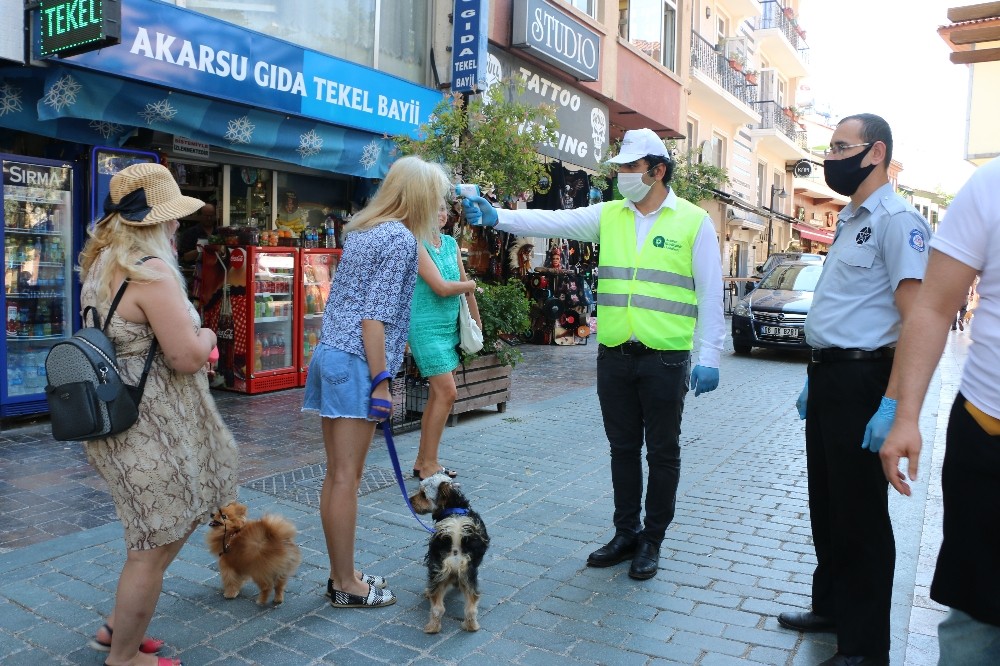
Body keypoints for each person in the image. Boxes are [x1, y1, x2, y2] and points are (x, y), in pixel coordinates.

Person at [462, 128, 724, 581]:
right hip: (615, 357)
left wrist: (712, 355)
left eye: (630, 167)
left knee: (662, 453)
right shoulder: (610, 215)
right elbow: (551, 223)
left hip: (666, 359)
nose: (621, 175)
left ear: (658, 171)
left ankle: (653, 540)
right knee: (622, 449)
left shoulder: (694, 221)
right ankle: (626, 533)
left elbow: (711, 293)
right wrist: (495, 216)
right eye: (619, 167)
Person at [778, 113, 931, 666]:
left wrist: (894, 405)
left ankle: (867, 647)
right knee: (828, 504)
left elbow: (916, 320)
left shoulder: (898, 221)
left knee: (862, 515)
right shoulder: (849, 220)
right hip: (828, 377)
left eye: (842, 146)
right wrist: (813, 376)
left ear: (876, 153)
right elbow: (842, 306)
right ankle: (834, 607)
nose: (831, 156)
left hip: (865, 380)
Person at [78, 163, 238, 666]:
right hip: (150, 430)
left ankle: (117, 628)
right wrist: (211, 337)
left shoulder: (102, 263)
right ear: (153, 221)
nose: (176, 226)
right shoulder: (151, 272)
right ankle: (123, 656)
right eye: (170, 217)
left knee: (176, 521)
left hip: (120, 421)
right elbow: (187, 356)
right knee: (150, 546)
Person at [302, 155, 451, 608]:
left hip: (330, 354)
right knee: (347, 477)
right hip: (358, 362)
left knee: (336, 476)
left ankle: (340, 575)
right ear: (421, 197)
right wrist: (383, 380)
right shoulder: (402, 239)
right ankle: (346, 584)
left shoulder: (365, 230)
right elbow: (373, 319)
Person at [879, 156, 999, 665]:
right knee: (977, 618)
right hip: (989, 434)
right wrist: (905, 416)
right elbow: (932, 306)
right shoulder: (991, 185)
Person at [408, 202, 480, 481]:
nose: (440, 214)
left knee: (439, 395)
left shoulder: (450, 243)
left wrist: (476, 321)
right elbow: (441, 287)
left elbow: (461, 284)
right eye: (433, 208)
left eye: (443, 209)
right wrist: (471, 285)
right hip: (425, 327)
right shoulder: (416, 243)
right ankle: (429, 464)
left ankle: (424, 461)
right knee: (448, 392)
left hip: (448, 325)